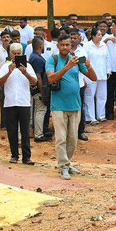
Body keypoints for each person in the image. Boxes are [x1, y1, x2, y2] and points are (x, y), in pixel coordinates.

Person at [47, 35, 96, 180]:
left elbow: (93, 78)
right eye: (62, 45)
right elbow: (51, 79)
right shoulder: (53, 60)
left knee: (73, 139)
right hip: (58, 106)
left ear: (71, 45)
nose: (65, 48)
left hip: (75, 105)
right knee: (61, 138)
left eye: (67, 45)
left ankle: (67, 163)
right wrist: (67, 67)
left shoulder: (77, 60)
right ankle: (63, 167)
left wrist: (88, 65)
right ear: (58, 46)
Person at [0, 42, 38, 164]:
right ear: (10, 54)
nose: (16, 56)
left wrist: (25, 73)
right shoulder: (6, 66)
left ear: (22, 54)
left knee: (25, 131)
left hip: (24, 102)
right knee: (12, 130)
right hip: (10, 102)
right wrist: (9, 72)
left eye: (18, 53)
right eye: (14, 54)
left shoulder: (28, 66)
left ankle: (27, 157)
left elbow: (34, 81)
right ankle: (14, 155)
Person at [81, 28, 110, 123]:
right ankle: (90, 117)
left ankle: (101, 116)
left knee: (102, 95)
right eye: (98, 35)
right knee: (90, 95)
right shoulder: (87, 46)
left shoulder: (104, 45)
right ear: (93, 36)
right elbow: (84, 60)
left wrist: (108, 70)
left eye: (101, 35)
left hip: (102, 74)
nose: (101, 36)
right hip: (90, 75)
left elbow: (107, 58)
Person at [29, 36, 51, 141]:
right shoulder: (37, 59)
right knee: (41, 110)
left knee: (38, 110)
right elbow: (38, 77)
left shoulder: (33, 56)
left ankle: (38, 131)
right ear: (41, 46)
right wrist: (42, 91)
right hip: (38, 89)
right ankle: (39, 134)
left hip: (35, 88)